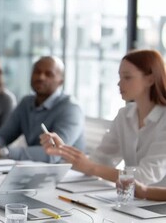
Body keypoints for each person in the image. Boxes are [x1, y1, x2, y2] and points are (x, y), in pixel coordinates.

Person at [42, 49, 166, 185]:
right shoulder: (125, 115)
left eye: (127, 77)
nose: (119, 83)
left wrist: (90, 167)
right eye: (120, 77)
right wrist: (64, 151)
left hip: (158, 203)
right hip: (131, 198)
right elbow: (101, 160)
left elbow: (145, 176)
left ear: (150, 79)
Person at [0, 56, 85, 163]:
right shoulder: (26, 102)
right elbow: (3, 135)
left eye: (49, 74)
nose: (41, 77)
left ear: (61, 81)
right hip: (36, 170)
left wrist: (2, 152)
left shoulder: (71, 108)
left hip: (68, 174)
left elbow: (54, 153)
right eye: (37, 72)